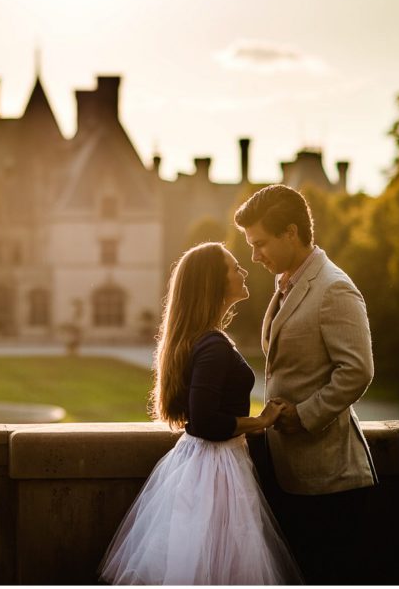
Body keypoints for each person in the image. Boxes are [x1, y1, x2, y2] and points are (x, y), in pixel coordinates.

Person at [98, 242, 302, 585]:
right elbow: (205, 421)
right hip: (216, 469)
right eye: (235, 268)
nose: (244, 271)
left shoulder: (202, 340)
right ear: (214, 282)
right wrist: (261, 421)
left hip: (206, 463)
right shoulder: (213, 345)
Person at [233, 184, 377, 585]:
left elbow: (357, 371)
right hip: (288, 472)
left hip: (328, 479)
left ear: (291, 233)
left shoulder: (335, 288)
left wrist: (305, 415)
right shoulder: (288, 282)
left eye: (260, 243)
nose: (254, 255)